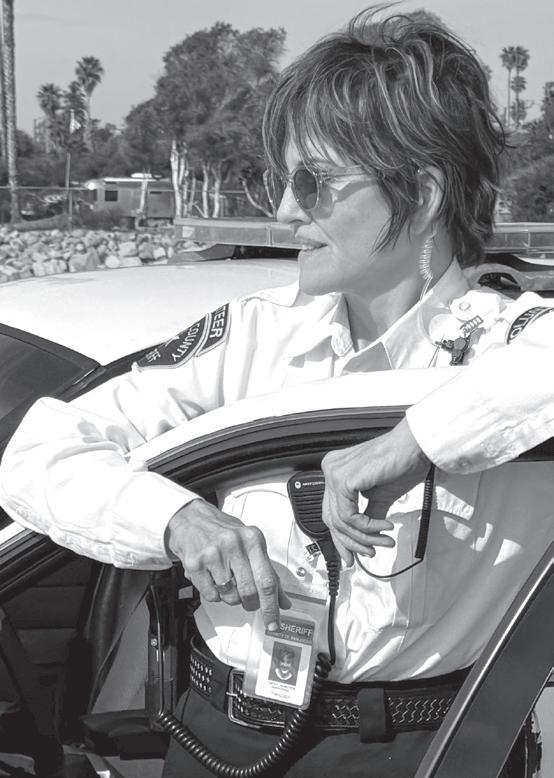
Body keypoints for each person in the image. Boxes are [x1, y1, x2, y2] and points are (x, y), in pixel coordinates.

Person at [0, 7, 552, 777]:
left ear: (423, 194)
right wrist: (177, 520)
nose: (287, 211)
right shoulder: (253, 339)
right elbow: (37, 453)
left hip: (422, 748)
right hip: (216, 735)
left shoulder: (509, 344)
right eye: (281, 181)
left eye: (313, 182)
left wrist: (414, 442)